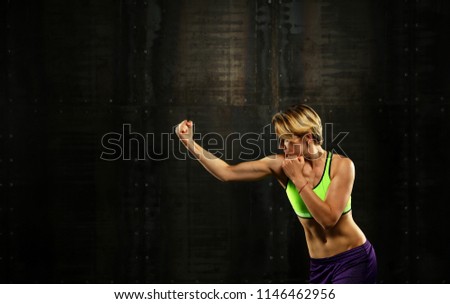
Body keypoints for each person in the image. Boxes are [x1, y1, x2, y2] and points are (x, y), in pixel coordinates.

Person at [175, 104, 377, 283]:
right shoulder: (281, 165)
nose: (281, 146)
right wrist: (189, 143)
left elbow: (328, 219)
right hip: (319, 266)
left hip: (354, 258)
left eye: (286, 140)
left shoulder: (341, 166)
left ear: (307, 138)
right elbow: (227, 172)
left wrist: (298, 180)